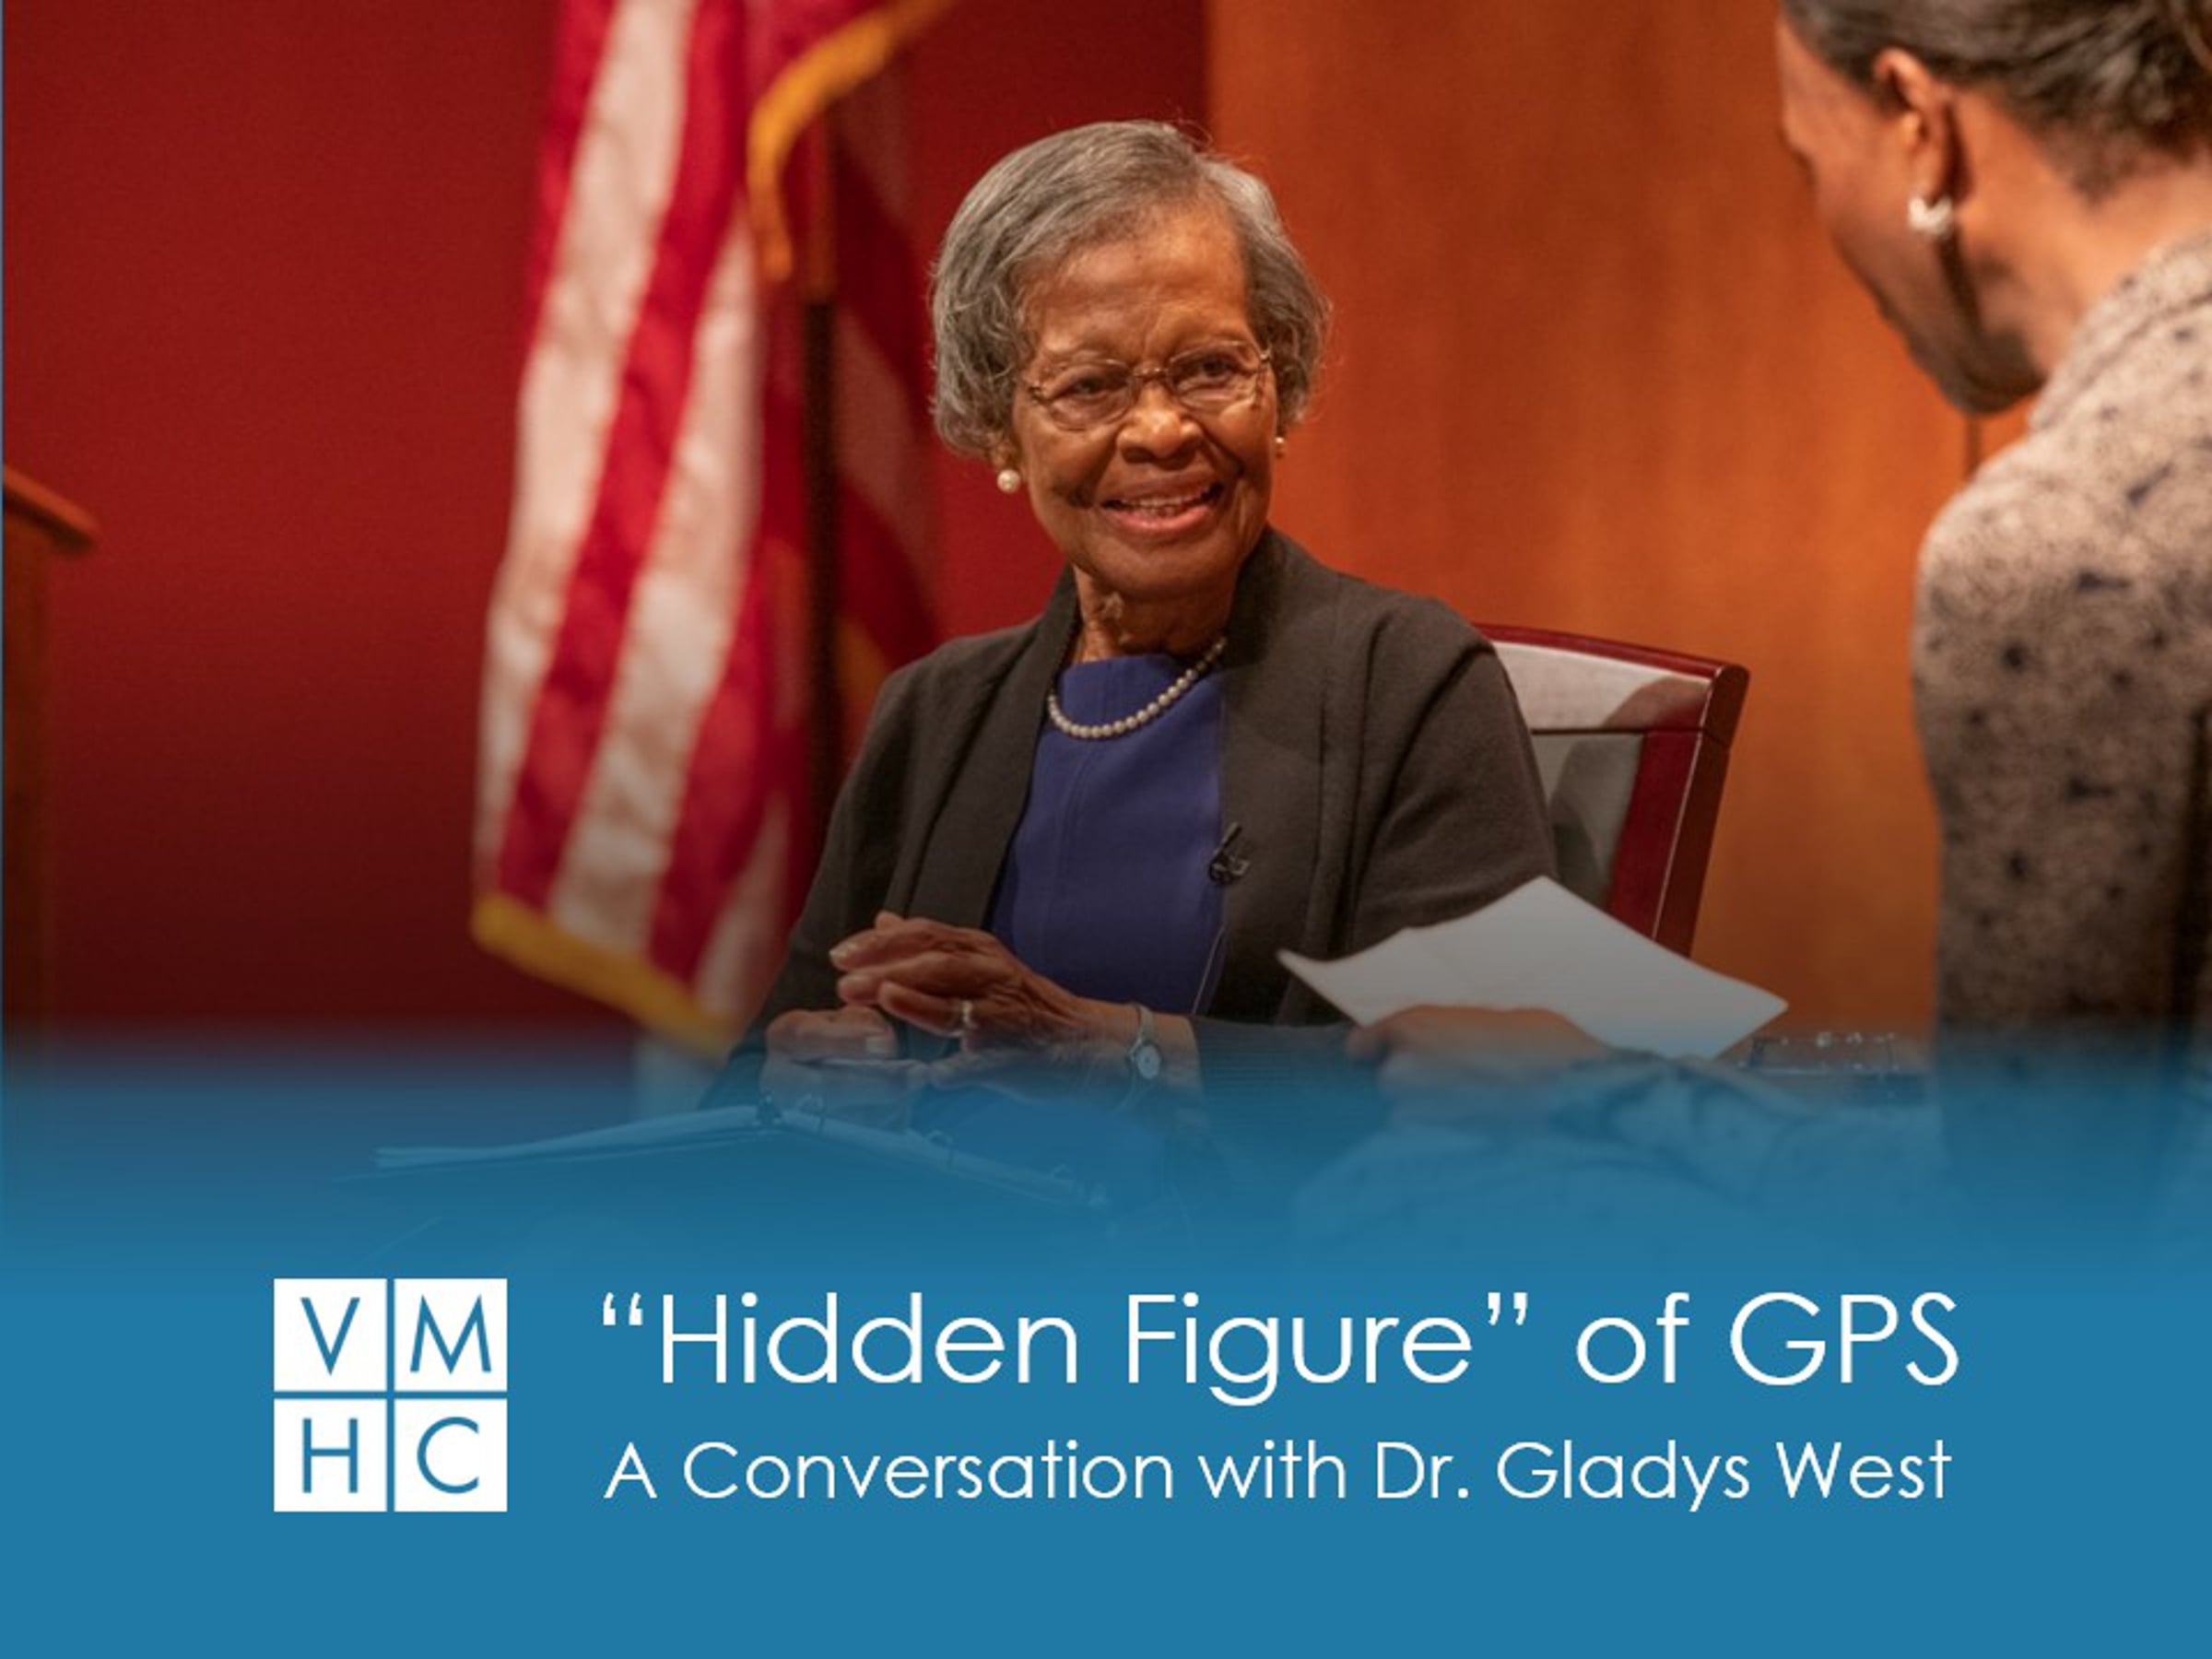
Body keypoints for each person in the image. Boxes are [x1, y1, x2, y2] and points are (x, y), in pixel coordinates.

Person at [1362, 0, 2212, 1099]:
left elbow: (2030, 1179)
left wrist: (1603, 1091)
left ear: (1919, 124)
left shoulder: (2064, 542)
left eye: (1810, 162)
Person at [712, 122, 1554, 1165]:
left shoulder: (1408, 681)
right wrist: (809, 1081)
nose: (1160, 430)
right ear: (1000, 428)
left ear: (1279, 386)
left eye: (1209, 368)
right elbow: (746, 1096)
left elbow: (1491, 1091)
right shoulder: (933, 713)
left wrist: (1120, 1051)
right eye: (1090, 386)